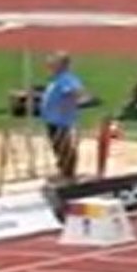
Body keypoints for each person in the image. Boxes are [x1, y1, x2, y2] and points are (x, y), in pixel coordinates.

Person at [39, 51, 87, 182]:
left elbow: (75, 92)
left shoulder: (66, 78)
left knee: (63, 146)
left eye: (53, 63)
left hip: (60, 120)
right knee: (57, 146)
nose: (49, 65)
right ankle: (63, 170)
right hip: (53, 119)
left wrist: (68, 104)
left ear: (61, 65)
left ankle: (68, 173)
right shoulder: (56, 79)